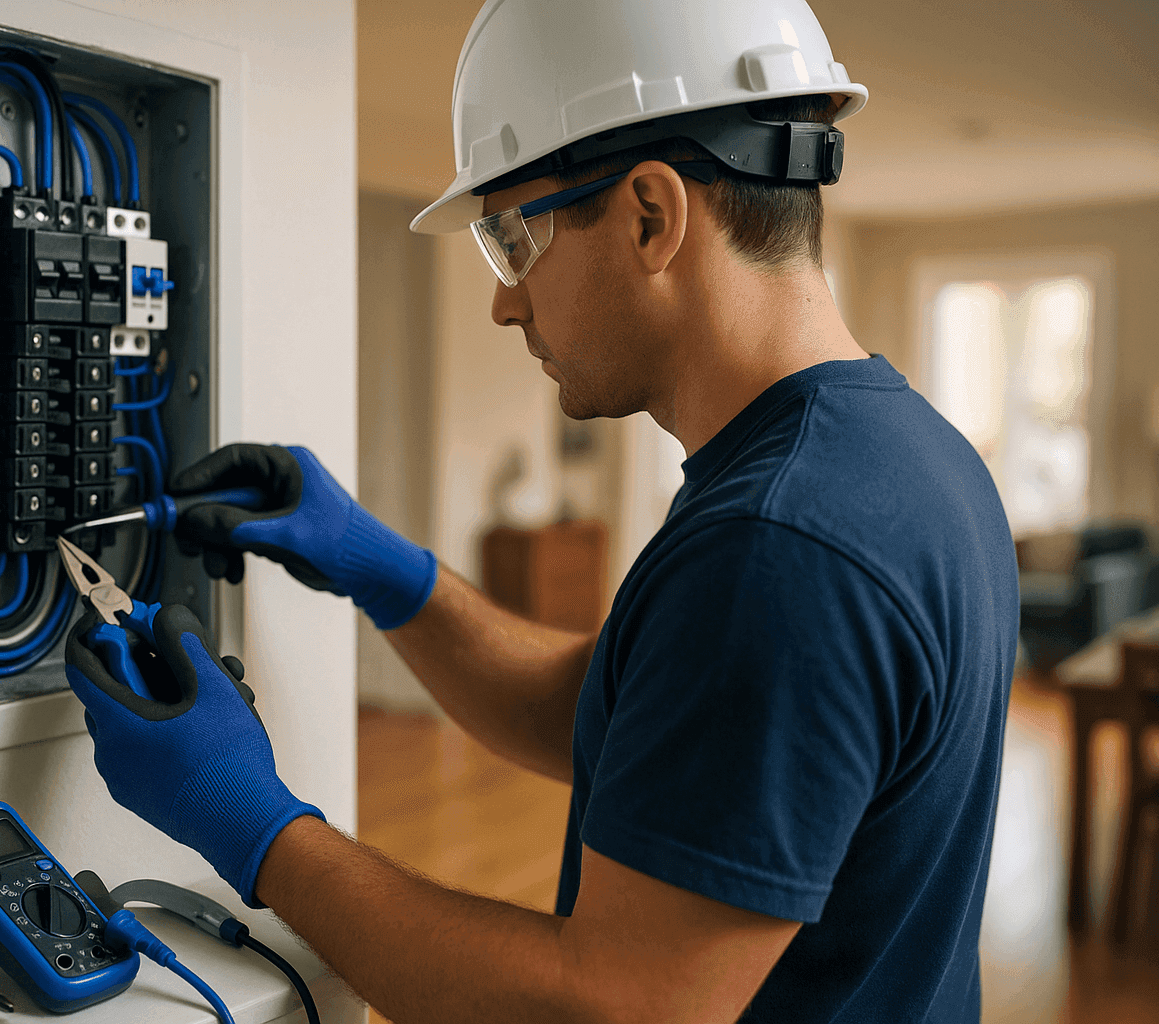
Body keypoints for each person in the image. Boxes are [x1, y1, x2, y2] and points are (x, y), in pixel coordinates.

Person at [63, 1, 1018, 1020]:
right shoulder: (911, 458)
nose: (505, 301)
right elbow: (615, 719)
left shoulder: (779, 546)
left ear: (653, 215)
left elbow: (604, 1006)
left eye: (515, 236)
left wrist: (254, 824)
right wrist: (382, 567)